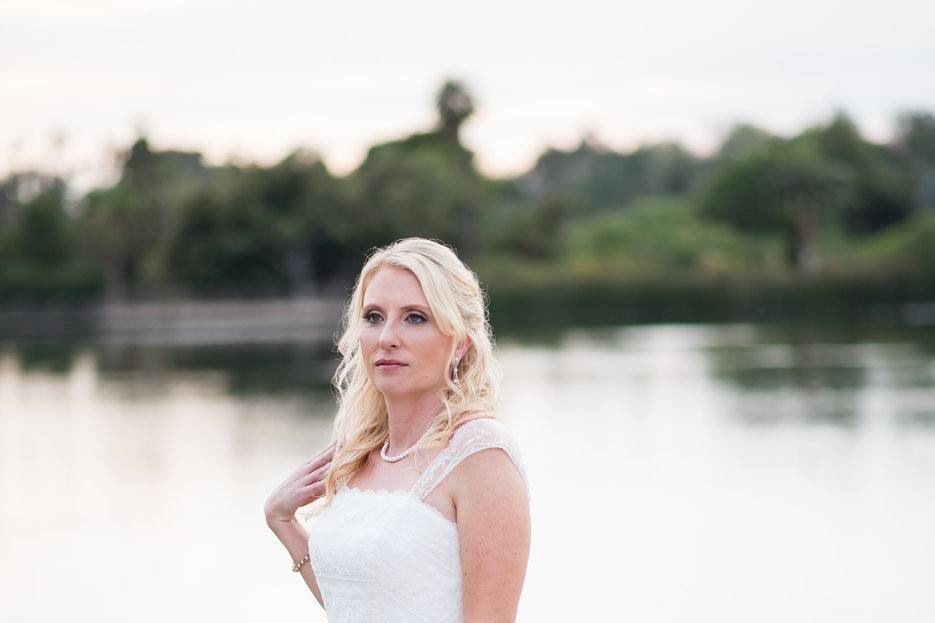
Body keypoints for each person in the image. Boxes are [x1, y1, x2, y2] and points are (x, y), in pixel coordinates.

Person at [264, 237, 531, 623]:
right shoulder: (359, 453)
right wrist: (283, 521)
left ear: (460, 344)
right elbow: (361, 604)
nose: (387, 337)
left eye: (415, 317)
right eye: (373, 317)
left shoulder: (480, 452)